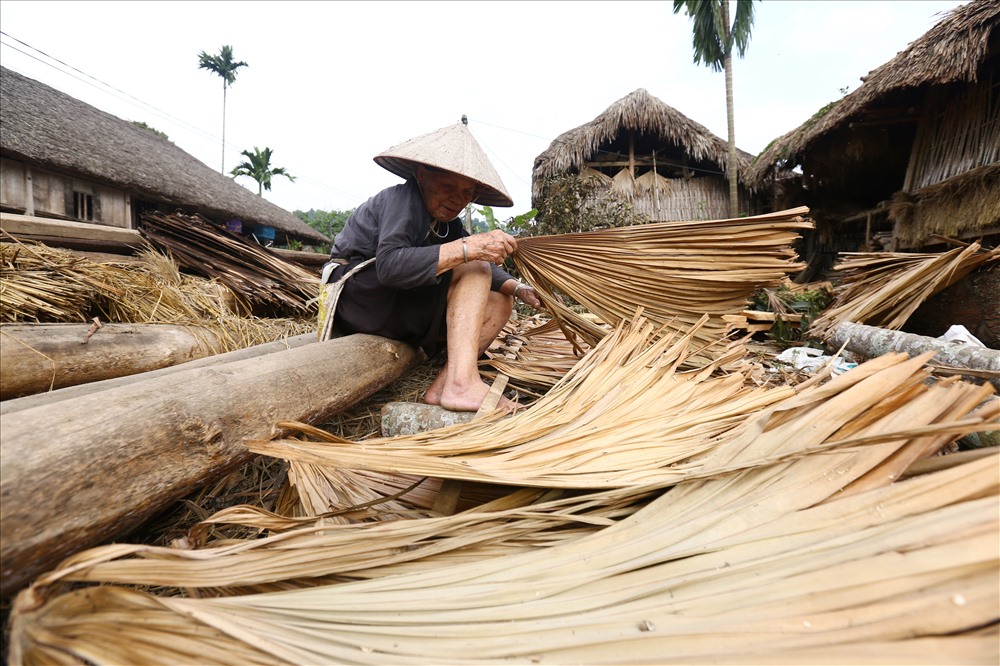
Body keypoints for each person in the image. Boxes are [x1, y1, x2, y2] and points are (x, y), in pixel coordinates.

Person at [321, 120, 542, 413]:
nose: (457, 199)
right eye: (448, 186)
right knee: (473, 265)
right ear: (423, 175)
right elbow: (390, 267)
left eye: (466, 193)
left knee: (500, 300)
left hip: (393, 302)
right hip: (359, 297)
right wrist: (469, 248)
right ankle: (463, 384)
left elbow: (486, 268)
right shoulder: (402, 199)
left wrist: (519, 288)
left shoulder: (447, 223)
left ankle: (447, 383)